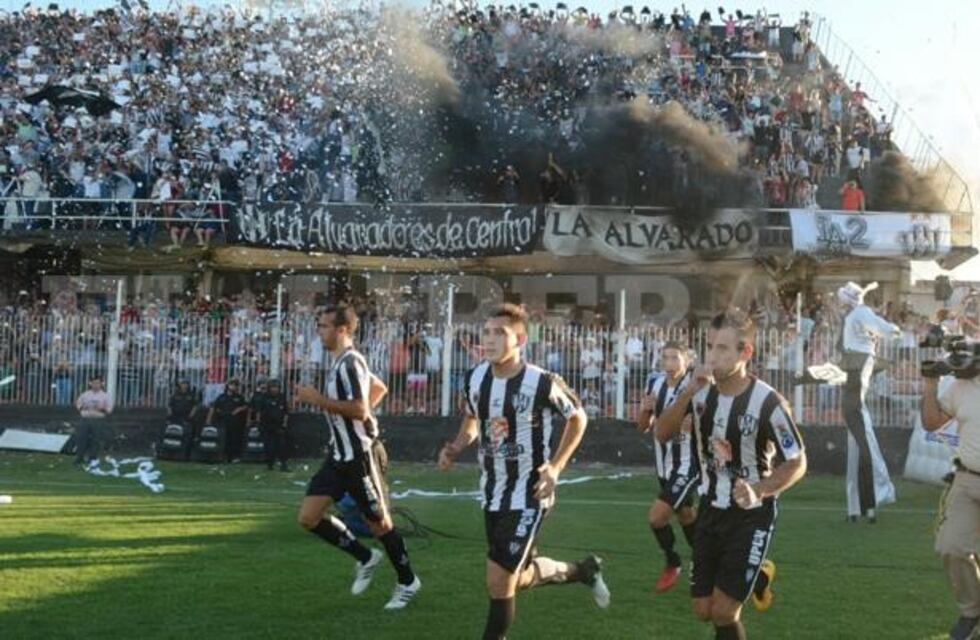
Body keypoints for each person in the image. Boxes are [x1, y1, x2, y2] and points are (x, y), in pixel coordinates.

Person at [438, 303, 610, 640]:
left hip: (530, 494)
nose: (489, 339)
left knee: (498, 580)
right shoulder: (476, 378)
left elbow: (578, 417)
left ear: (519, 339)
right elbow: (472, 418)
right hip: (492, 493)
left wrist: (555, 467)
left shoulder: (541, 381)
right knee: (520, 577)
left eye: (499, 333)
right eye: (486, 332)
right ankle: (583, 570)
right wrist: (456, 446)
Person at [657, 309, 807, 640]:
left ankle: (754, 573)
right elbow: (662, 433)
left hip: (751, 516)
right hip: (710, 510)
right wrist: (687, 392)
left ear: (745, 352)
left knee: (724, 611)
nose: (713, 356)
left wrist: (760, 490)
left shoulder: (768, 402)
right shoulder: (699, 392)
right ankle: (760, 576)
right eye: (710, 346)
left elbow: (797, 461)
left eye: (723, 348)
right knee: (703, 610)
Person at [293, 304, 421, 610]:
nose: (319, 331)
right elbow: (379, 388)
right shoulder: (343, 362)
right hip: (339, 455)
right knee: (308, 518)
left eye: (324, 326)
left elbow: (360, 408)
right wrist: (351, 422)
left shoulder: (350, 363)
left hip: (361, 457)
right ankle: (365, 557)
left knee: (380, 525)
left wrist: (317, 400)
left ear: (342, 330)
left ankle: (408, 581)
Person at [921, 358, 980, 640]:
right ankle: (971, 613)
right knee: (951, 546)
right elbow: (932, 423)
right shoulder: (961, 386)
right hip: (967, 478)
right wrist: (931, 384)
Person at [636, 340, 698, 593]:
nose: (669, 363)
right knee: (686, 516)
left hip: (687, 464)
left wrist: (697, 422)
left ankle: (673, 563)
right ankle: (705, 560)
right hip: (664, 466)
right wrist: (645, 410)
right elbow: (643, 427)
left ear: (687, 361)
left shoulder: (695, 385)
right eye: (666, 358)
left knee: (657, 517)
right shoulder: (655, 383)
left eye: (675, 358)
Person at [837, 282, 899, 522]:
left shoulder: (859, 314)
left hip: (855, 378)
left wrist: (893, 331)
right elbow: (884, 330)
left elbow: (882, 328)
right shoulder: (854, 316)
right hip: (854, 376)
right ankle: (859, 507)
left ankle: (865, 503)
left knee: (862, 446)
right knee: (859, 446)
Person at [73, 376, 112, 465]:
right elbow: (78, 404)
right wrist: (84, 407)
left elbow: (109, 409)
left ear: (101, 384)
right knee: (81, 438)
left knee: (96, 439)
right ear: (90, 383)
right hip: (85, 419)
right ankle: (79, 457)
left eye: (98, 383)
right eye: (94, 383)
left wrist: (101, 408)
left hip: (98, 420)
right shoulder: (85, 394)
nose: (96, 385)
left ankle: (92, 458)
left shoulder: (105, 396)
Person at [207, 378, 249, 462]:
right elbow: (214, 407)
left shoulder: (239, 397)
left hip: (235, 422)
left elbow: (245, 406)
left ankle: (234, 456)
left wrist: (238, 409)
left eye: (236, 385)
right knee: (223, 439)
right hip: (223, 420)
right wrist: (209, 419)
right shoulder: (222, 397)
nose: (234, 387)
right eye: (232, 384)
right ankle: (222, 456)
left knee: (234, 439)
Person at [257, 379, 290, 471]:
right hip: (267, 425)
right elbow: (259, 411)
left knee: (282, 445)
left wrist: (284, 424)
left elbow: (286, 412)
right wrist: (259, 423)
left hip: (279, 425)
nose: (275, 389)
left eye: (276, 387)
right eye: (273, 387)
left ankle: (283, 464)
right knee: (269, 446)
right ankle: (270, 464)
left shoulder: (282, 397)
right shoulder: (264, 398)